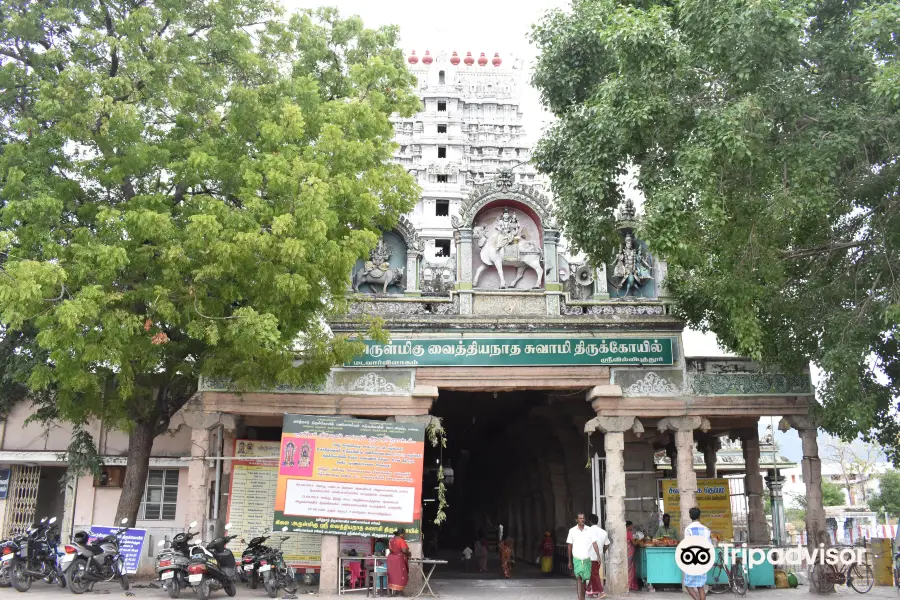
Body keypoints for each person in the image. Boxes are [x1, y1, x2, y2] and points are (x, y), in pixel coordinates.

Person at [567, 513, 602, 600]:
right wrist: (570, 561)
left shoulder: (590, 530)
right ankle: (580, 598)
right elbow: (569, 546)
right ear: (576, 520)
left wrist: (598, 556)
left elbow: (594, 543)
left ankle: (582, 597)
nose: (582, 519)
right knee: (579, 577)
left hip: (586, 559)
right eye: (580, 518)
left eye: (583, 518)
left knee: (584, 579)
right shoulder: (572, 531)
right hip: (577, 559)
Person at [684, 508, 711, 600]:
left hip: (692, 559)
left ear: (690, 516)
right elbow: (709, 546)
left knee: (687, 584)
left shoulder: (688, 529)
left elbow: (688, 545)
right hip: (703, 558)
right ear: (700, 516)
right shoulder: (706, 529)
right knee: (700, 586)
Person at [587, 514, 609, 599]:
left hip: (590, 556)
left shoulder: (587, 531)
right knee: (593, 573)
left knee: (594, 574)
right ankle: (591, 590)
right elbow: (607, 544)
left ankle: (601, 591)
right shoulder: (604, 532)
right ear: (597, 521)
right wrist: (602, 552)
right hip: (599, 556)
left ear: (590, 521)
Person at [387, 529, 411, 596]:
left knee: (393, 575)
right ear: (401, 534)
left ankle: (393, 591)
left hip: (391, 559)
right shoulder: (401, 540)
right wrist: (409, 554)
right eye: (404, 534)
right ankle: (400, 591)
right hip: (399, 559)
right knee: (401, 575)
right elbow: (404, 550)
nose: (405, 535)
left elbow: (390, 550)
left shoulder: (391, 540)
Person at [626, 521, 639, 591]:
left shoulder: (622, 532)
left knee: (626, 568)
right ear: (628, 526)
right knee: (630, 569)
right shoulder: (629, 533)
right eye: (631, 526)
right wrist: (637, 542)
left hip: (625, 553)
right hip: (629, 553)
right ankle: (629, 585)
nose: (632, 527)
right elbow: (634, 543)